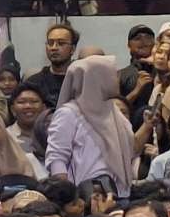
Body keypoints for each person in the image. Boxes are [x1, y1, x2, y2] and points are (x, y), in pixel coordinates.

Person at [45, 56, 136, 198]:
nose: (117, 78)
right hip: (84, 196)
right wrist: (67, 198)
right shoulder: (69, 113)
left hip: (120, 194)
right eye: (112, 74)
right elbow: (57, 158)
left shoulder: (114, 112)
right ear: (95, 78)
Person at [25, 23, 79, 107]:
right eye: (50, 43)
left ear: (72, 49)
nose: (54, 48)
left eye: (61, 43)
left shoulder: (81, 80)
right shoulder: (34, 82)